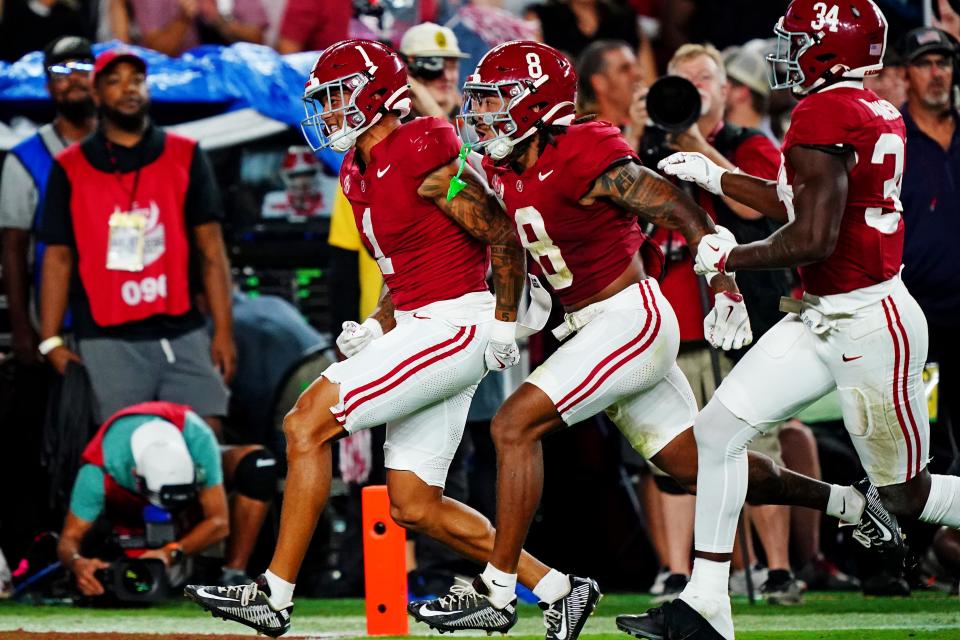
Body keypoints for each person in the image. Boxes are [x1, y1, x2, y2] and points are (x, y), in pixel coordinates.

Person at [413, 40, 896, 636]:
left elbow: (673, 203)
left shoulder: (582, 146)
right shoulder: (510, 166)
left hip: (627, 320)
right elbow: (532, 242)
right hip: (591, 325)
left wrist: (722, 282)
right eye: (481, 102)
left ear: (537, 104)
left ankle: (503, 588)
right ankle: (850, 503)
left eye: (498, 101)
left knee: (513, 425)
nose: (484, 115)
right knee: (694, 467)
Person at [182, 39, 582, 640]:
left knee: (304, 424)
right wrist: (376, 323)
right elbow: (410, 271)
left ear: (375, 93)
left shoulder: (423, 149)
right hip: (425, 319)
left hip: (458, 323)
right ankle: (559, 588)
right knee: (413, 505)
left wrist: (503, 322)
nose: (329, 111)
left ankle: (274, 594)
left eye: (336, 96)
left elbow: (500, 235)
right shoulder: (357, 170)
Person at [627, 1, 960, 637]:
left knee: (906, 497)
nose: (786, 52)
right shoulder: (864, 106)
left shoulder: (823, 110)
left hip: (867, 321)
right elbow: (799, 197)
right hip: (823, 315)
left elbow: (811, 236)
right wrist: (719, 177)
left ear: (830, 47)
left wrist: (731, 255)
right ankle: (706, 606)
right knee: (719, 429)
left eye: (798, 40)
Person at [37, 48, 235, 431]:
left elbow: (212, 249)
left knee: (205, 440)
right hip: (106, 337)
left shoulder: (186, 154)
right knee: (125, 455)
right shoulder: (69, 168)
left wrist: (224, 331)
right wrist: (50, 340)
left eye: (137, 80)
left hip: (182, 330)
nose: (129, 89)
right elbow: (56, 257)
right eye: (114, 81)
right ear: (96, 94)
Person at [57, 401, 276, 595]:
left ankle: (233, 575)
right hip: (129, 517)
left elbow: (219, 523)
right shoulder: (98, 468)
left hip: (187, 517)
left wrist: (170, 552)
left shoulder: (197, 438)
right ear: (136, 477)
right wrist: (78, 564)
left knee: (259, 465)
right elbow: (69, 538)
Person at [1, 36, 96, 365]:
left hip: (120, 317)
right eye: (60, 71)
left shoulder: (122, 149)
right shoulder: (26, 159)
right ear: (48, 86)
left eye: (84, 66)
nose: (73, 78)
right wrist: (21, 328)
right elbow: (13, 249)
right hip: (58, 323)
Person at [898, 27, 960, 475]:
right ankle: (930, 541)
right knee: (928, 437)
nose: (937, 73)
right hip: (920, 327)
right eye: (925, 64)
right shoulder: (892, 140)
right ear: (906, 74)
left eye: (944, 62)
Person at [400, 22, 469, 119]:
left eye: (452, 67)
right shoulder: (392, 122)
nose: (447, 77)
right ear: (409, 70)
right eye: (434, 66)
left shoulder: (466, 117)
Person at [260, 146, 328, 220]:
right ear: (285, 176)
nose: (302, 181)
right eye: (295, 175)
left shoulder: (330, 197)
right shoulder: (273, 201)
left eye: (308, 173)